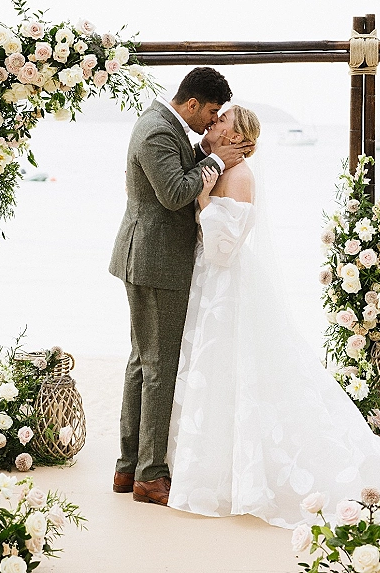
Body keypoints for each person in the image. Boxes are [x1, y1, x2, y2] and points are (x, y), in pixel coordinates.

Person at [167, 105, 380, 528]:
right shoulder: (216, 167)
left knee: (235, 370)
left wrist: (201, 197)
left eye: (221, 123)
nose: (212, 124)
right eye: (214, 120)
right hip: (210, 287)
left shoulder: (239, 176)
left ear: (235, 139)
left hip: (225, 286)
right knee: (213, 374)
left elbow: (221, 248)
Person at [109, 68, 254, 506]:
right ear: (191, 104)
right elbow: (175, 193)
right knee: (158, 367)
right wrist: (216, 161)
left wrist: (210, 157)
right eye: (210, 113)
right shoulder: (156, 131)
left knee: (142, 362)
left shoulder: (165, 126)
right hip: (156, 263)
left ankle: (128, 466)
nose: (211, 123)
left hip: (150, 260)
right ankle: (150, 476)